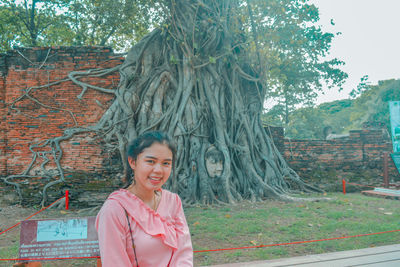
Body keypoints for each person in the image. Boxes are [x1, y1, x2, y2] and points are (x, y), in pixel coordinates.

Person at [96, 131, 193, 266]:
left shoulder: (173, 201)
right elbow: (115, 262)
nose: (159, 170)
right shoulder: (115, 210)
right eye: (150, 161)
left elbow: (184, 253)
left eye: (166, 163)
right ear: (133, 162)